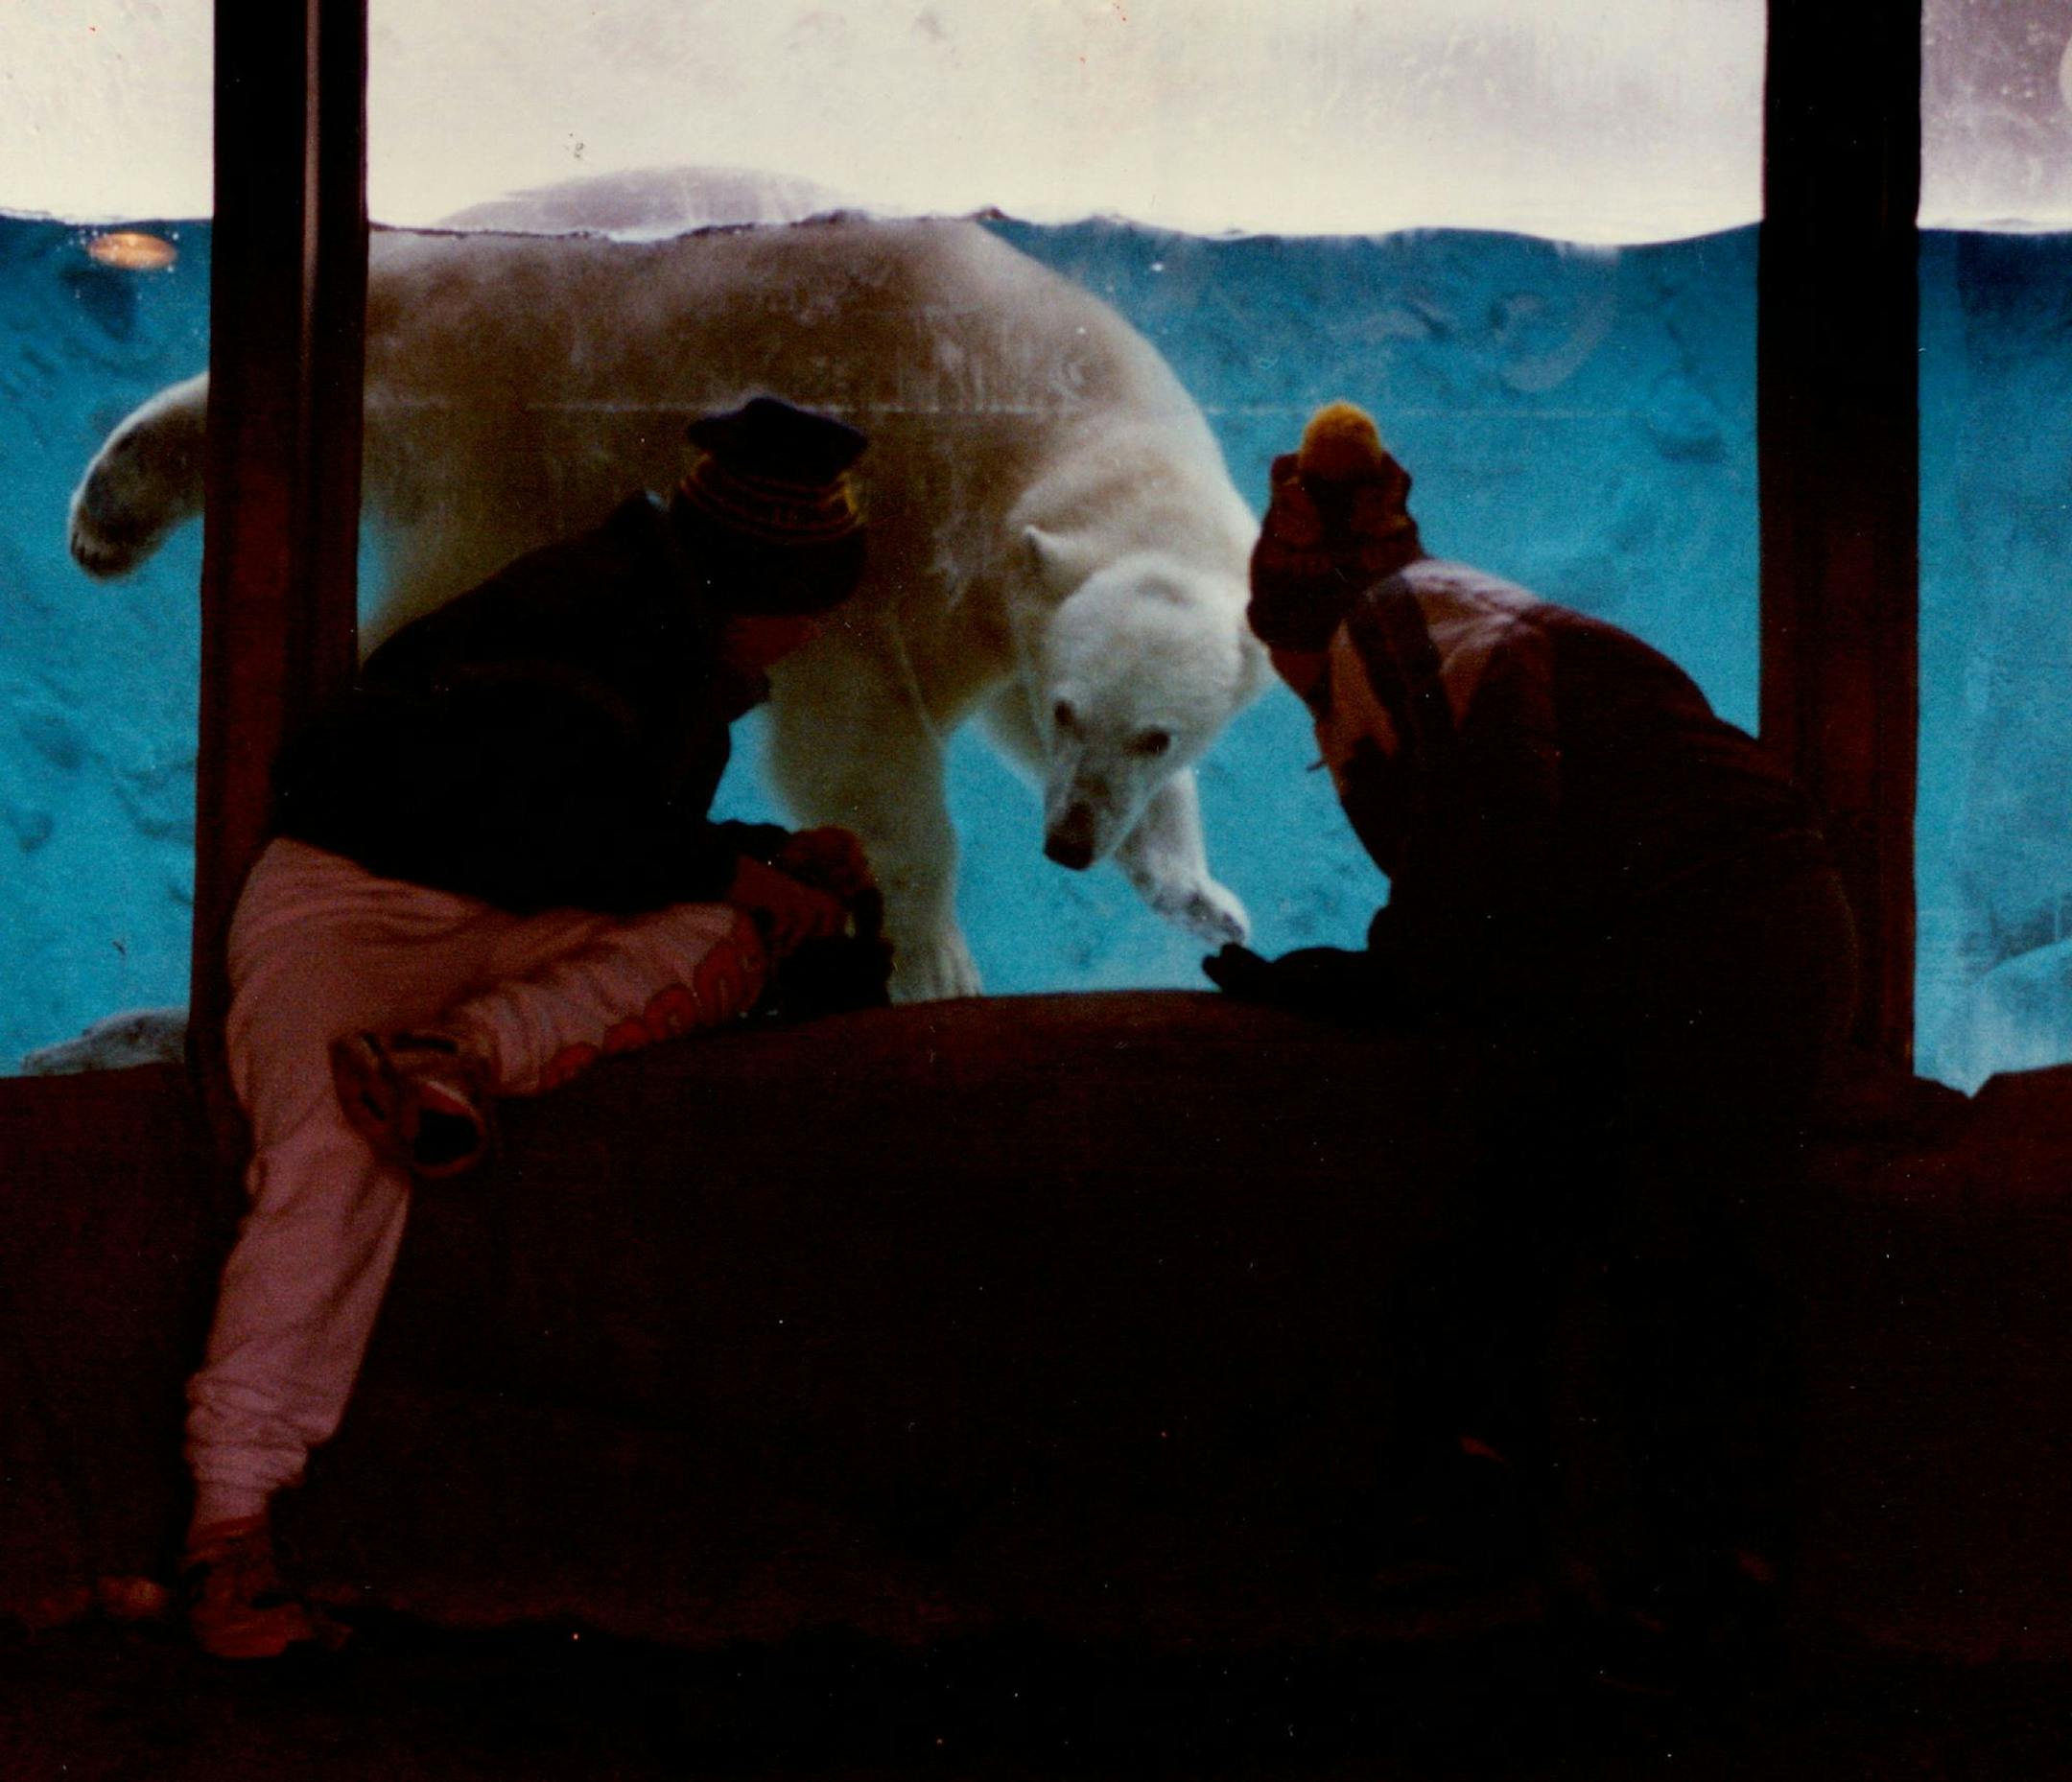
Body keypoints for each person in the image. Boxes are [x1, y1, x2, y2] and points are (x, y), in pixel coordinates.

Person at [180, 397, 884, 1659]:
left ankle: (452, 1061)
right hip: (349, 898)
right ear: (757, 579)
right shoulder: (587, 611)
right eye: (809, 599)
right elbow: (533, 814)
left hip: (511, 914)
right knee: (326, 1160)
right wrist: (738, 866)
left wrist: (768, 867)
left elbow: (594, 836)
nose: (816, 630)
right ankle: (229, 1534)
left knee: (738, 934)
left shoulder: (681, 641)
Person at [1207, 401, 1859, 1691]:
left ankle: (1558, 1541)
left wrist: (1374, 976)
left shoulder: (1387, 627)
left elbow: (1495, 836)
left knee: (1630, 1219)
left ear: (1287, 619)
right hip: (1746, 922)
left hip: (1706, 931)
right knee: (1678, 1235)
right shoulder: (1457, 615)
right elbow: (1504, 877)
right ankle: (1701, 1571)